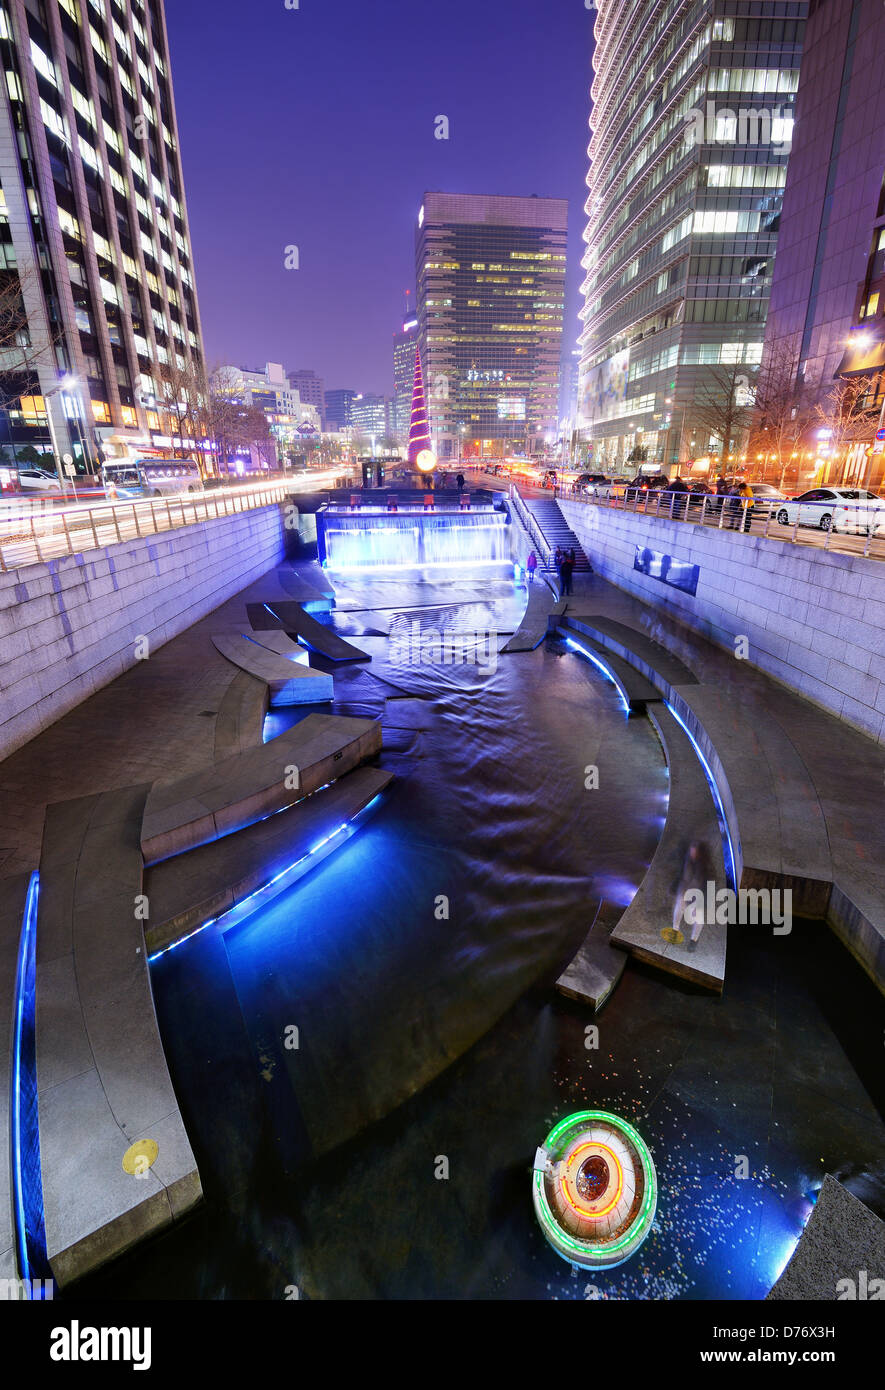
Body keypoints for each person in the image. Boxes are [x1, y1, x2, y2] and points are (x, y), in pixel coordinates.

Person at [665, 839, 715, 952]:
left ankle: (694, 940)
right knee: (679, 908)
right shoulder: (687, 859)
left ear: (701, 854)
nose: (692, 855)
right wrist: (675, 886)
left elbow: (708, 884)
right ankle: (675, 930)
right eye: (691, 852)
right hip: (684, 888)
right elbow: (680, 873)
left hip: (698, 894)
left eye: (695, 853)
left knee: (699, 918)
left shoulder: (706, 867)